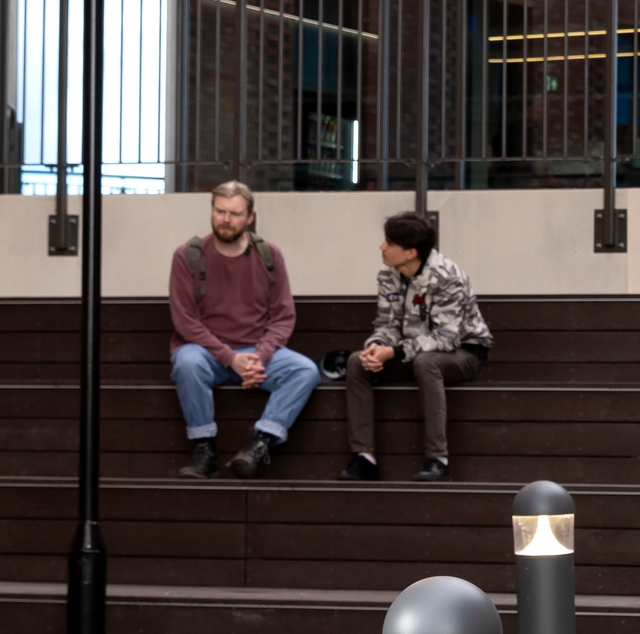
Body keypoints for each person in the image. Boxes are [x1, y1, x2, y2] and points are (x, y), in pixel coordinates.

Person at [168, 181, 319, 480]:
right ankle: (204, 449)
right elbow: (185, 320)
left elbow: (283, 316)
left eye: (235, 213)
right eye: (219, 211)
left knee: (305, 370)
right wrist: (228, 357)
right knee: (186, 362)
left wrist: (260, 356)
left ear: (250, 217)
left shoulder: (269, 256)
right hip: (206, 353)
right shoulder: (187, 255)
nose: (226, 219)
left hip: (255, 353)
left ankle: (260, 444)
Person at [340, 211, 492, 484]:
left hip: (464, 353)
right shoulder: (388, 275)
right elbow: (386, 324)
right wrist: (376, 347)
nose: (381, 247)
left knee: (427, 362)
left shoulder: (447, 277)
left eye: (388, 242)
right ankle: (364, 457)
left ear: (410, 253)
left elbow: (446, 339)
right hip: (412, 351)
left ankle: (438, 459)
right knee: (355, 362)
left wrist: (395, 352)